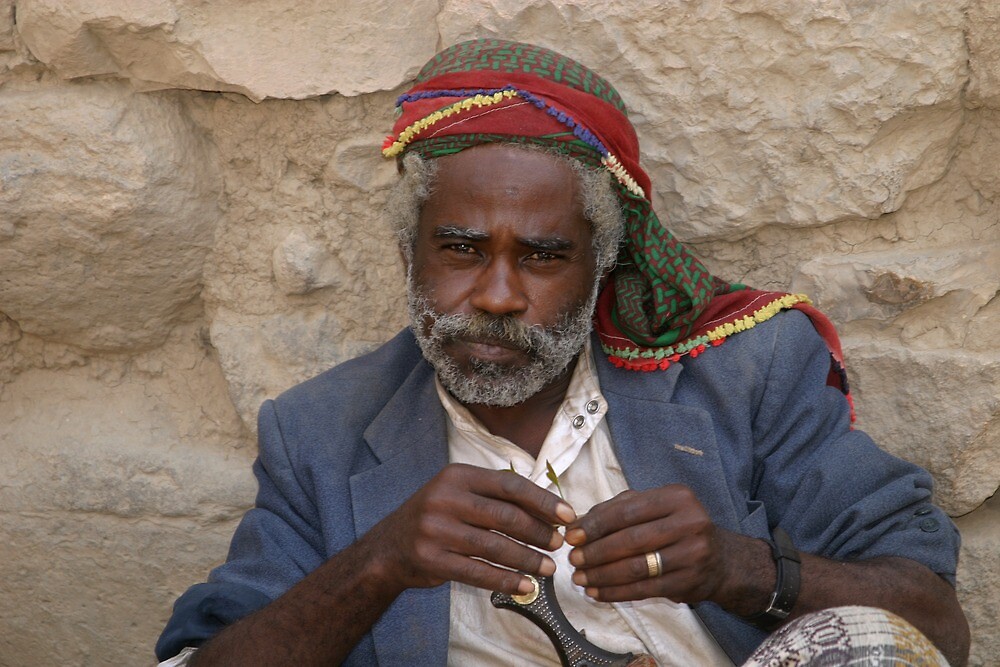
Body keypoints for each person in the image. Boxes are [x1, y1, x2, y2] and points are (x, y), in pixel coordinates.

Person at [155, 39, 969, 666]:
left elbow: (930, 628)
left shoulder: (746, 373)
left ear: (600, 263)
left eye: (543, 256)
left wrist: (743, 567)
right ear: (410, 254)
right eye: (461, 249)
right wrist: (379, 563)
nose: (499, 295)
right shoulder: (320, 433)